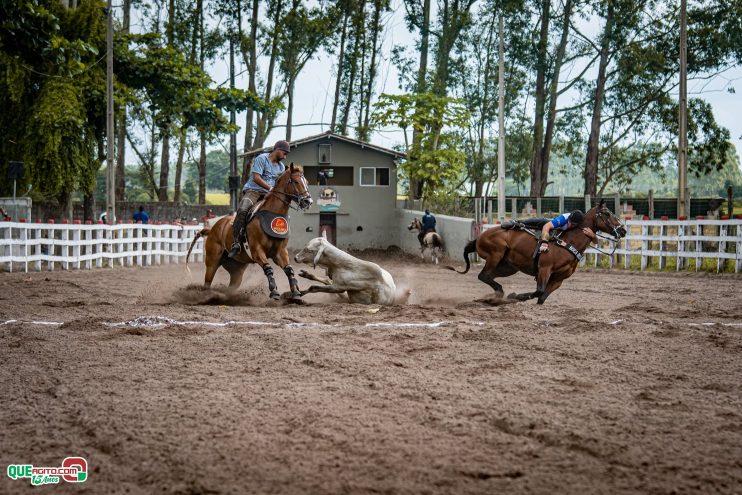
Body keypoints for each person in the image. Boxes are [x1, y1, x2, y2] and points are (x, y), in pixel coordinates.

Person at [228, 140, 291, 257]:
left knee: (282, 214)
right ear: (277, 150)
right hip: (254, 191)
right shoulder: (261, 159)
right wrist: (271, 188)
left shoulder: (281, 167)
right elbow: (256, 178)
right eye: (284, 153)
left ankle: (277, 243)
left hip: (269, 194)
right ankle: (236, 242)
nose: (285, 156)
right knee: (242, 210)